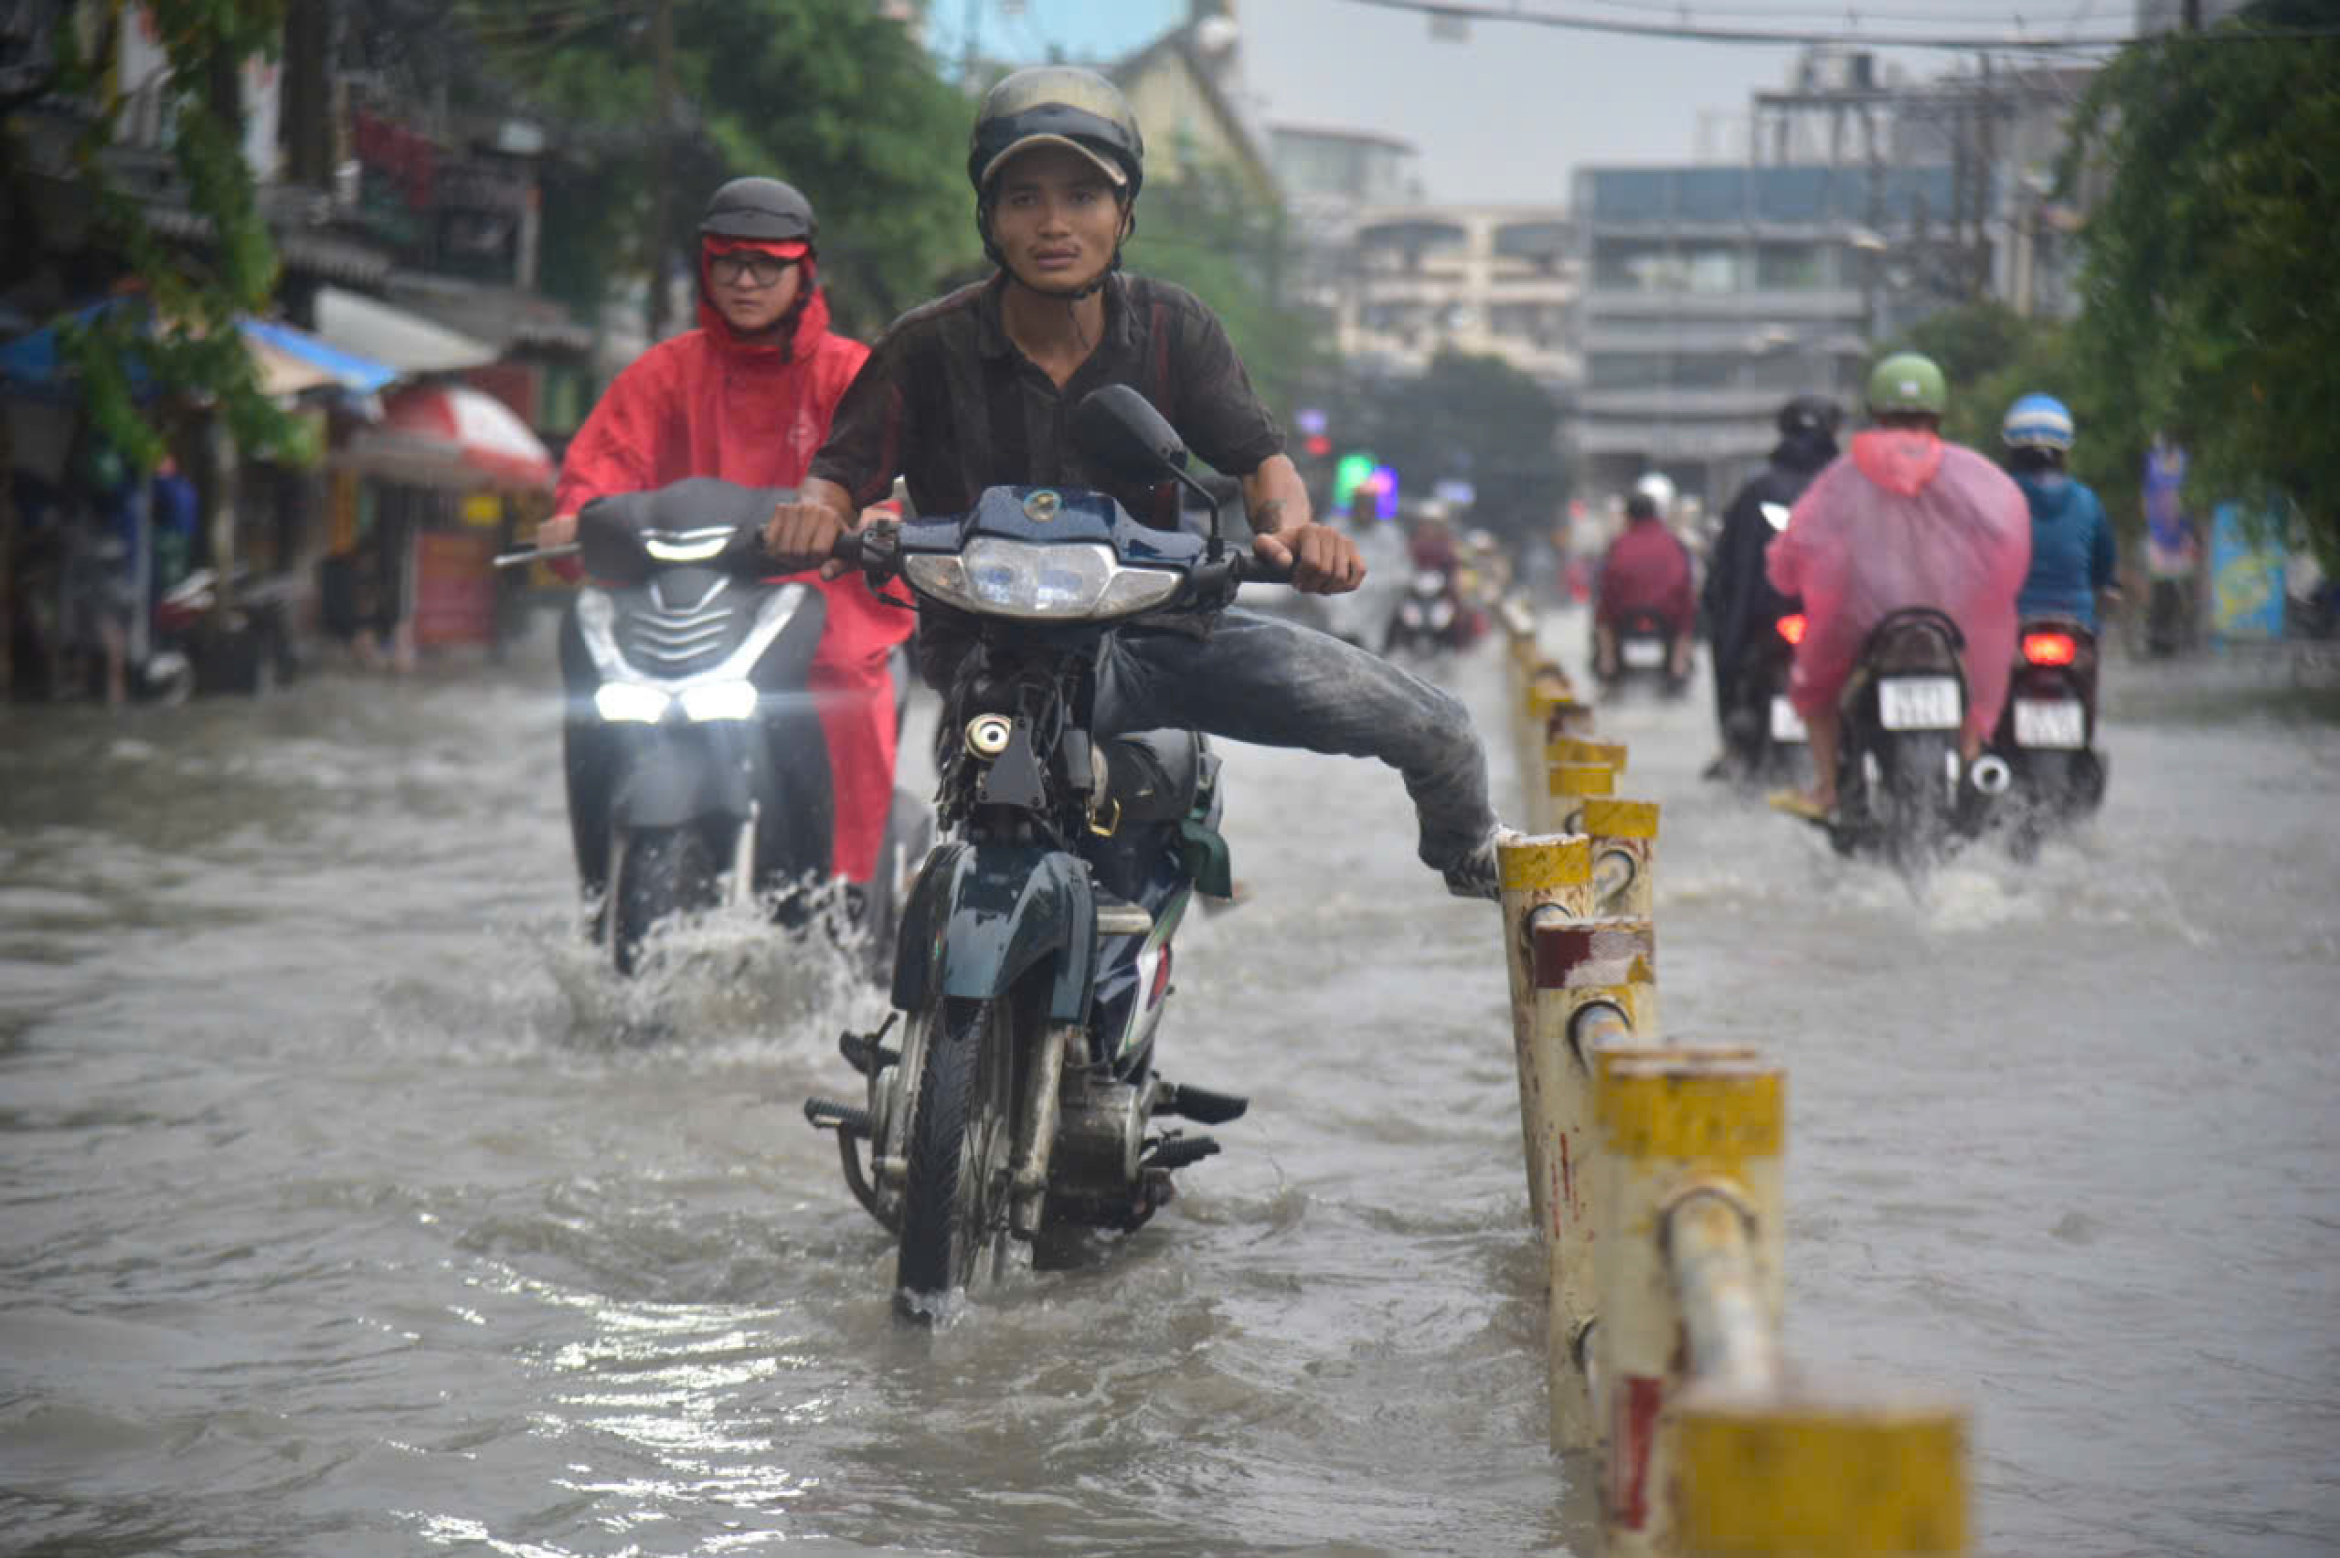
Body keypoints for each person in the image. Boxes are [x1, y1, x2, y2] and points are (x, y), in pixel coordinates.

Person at [760, 66, 1504, 897]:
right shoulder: (925, 347)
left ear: (1123, 212)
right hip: (987, 653)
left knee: (1437, 726)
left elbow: (1262, 465)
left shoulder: (1173, 328)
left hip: (1154, 633)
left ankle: (1473, 853)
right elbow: (837, 477)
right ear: (990, 217)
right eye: (1024, 199)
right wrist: (812, 516)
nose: (1053, 224)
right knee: (976, 796)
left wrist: (1293, 533)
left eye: (1082, 196)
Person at [539, 176, 914, 895]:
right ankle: (598, 883)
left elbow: (893, 479)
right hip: (679, 595)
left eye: (766, 265)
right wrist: (577, 514)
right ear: (706, 267)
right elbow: (602, 467)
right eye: (729, 263)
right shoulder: (662, 373)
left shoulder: (850, 374)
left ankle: (844, 891)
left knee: (842, 674)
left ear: (804, 272)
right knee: (593, 661)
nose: (745, 281)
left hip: (819, 595)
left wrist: (874, 520)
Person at [1765, 352, 2031, 817]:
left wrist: (1786, 575)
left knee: (1812, 690)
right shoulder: (1976, 475)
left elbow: (1800, 541)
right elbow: (2008, 538)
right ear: (1939, 412)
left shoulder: (1845, 475)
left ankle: (1827, 788)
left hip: (1862, 626)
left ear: (1876, 411)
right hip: (1952, 625)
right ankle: (1970, 760)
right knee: (1982, 680)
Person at [1700, 394, 1842, 776]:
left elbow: (1724, 576)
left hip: (1766, 623)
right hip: (1827, 622)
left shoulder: (1756, 491)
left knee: (1727, 659)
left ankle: (1732, 746)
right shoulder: (1851, 489)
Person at [2001, 393, 2119, 629]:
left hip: (2012, 622)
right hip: (2077, 622)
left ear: (2012, 449)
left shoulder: (1998, 497)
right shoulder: (2088, 500)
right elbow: (2104, 566)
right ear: (2064, 450)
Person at [1592, 480, 1695, 684]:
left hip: (1624, 614)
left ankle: (1607, 661)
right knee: (1687, 612)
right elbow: (1685, 586)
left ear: (1628, 516)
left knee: (1602, 617)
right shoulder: (1673, 543)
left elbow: (1607, 586)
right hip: (1668, 614)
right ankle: (1679, 662)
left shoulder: (1619, 544)